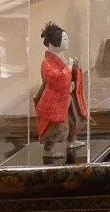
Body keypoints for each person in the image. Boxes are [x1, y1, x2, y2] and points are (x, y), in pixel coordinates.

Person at [34, 21, 88, 163]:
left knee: (73, 118)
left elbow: (67, 75)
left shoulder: (59, 58)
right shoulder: (46, 63)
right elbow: (59, 79)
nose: (67, 41)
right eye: (64, 39)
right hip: (54, 99)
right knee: (54, 127)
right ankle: (48, 150)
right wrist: (69, 67)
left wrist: (74, 67)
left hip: (66, 96)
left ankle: (72, 140)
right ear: (53, 43)